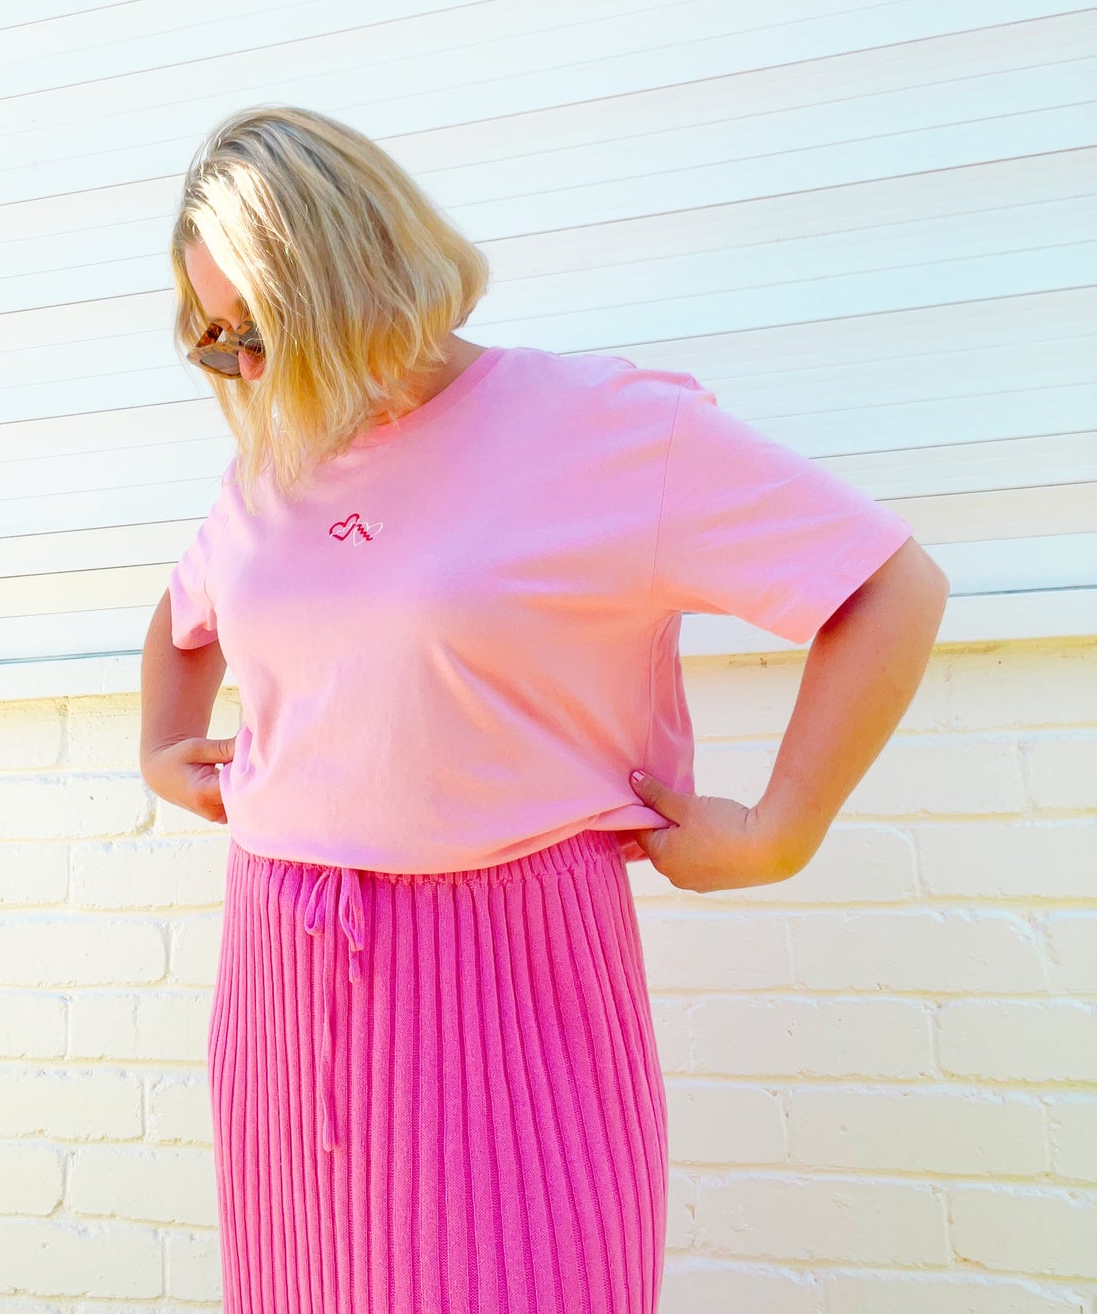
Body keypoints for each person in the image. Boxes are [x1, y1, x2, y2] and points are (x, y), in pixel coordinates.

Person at [140, 105, 948, 1314]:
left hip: (510, 961)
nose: (237, 371)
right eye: (211, 343)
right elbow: (185, 617)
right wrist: (162, 750)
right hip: (279, 959)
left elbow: (886, 585)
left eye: (254, 332)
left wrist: (781, 824)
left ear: (348, 284)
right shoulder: (274, 457)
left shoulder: (602, 428)